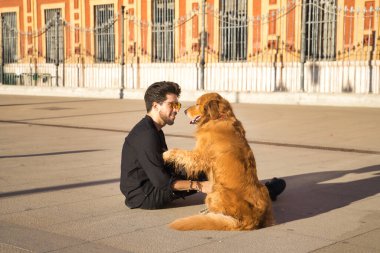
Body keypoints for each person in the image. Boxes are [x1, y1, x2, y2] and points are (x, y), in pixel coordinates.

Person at [120, 81, 285, 210]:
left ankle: (257, 192)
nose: (177, 110)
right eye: (173, 105)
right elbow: (162, 182)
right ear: (155, 106)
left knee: (214, 167)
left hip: (149, 186)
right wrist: (199, 185)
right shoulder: (146, 135)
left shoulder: (154, 129)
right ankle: (263, 194)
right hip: (145, 196)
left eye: (178, 105)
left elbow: (164, 166)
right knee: (211, 173)